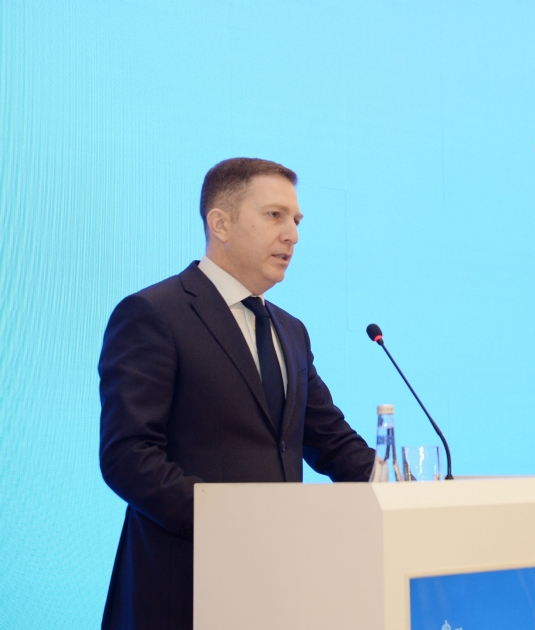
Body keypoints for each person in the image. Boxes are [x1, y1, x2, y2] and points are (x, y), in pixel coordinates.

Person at [98, 158, 374, 630]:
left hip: (277, 588)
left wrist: (397, 490)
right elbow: (129, 457)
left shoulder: (290, 330)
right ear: (220, 224)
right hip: (184, 589)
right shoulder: (154, 313)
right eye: (274, 216)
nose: (292, 235)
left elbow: (330, 440)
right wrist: (233, 524)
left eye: (297, 220)